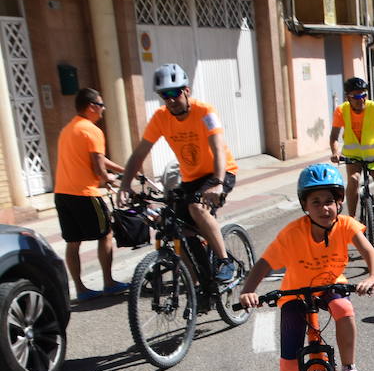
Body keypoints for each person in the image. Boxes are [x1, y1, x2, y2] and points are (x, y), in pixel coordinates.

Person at [238, 163, 374, 371]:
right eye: (315, 202)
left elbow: (369, 251)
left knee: (344, 310)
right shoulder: (292, 233)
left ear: (339, 201)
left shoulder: (346, 225)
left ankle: (349, 370)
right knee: (289, 361)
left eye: (329, 201)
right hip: (295, 293)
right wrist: (248, 291)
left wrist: (373, 276)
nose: (324, 208)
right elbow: (264, 264)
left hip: (331, 285)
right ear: (304, 205)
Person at [120, 62, 239, 283]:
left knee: (196, 207)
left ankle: (224, 261)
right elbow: (139, 153)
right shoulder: (160, 117)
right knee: (175, 227)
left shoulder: (206, 112)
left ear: (186, 90)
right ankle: (198, 284)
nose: (171, 100)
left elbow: (218, 148)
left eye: (175, 93)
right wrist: (125, 184)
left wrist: (219, 182)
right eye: (165, 95)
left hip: (220, 172)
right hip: (191, 178)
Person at [54, 87, 127, 300]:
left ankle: (81, 288)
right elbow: (97, 164)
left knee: (73, 242)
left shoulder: (68, 129)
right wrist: (109, 180)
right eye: (101, 105)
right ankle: (108, 281)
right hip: (86, 193)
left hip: (62, 194)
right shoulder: (93, 130)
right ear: (92, 107)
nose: (103, 109)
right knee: (106, 235)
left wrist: (123, 170)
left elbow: (98, 159)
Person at [328, 77, 374, 236]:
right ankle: (352, 220)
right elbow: (334, 136)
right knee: (353, 181)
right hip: (353, 156)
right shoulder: (341, 110)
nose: (360, 99)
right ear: (348, 97)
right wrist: (335, 152)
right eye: (356, 96)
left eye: (363, 95)